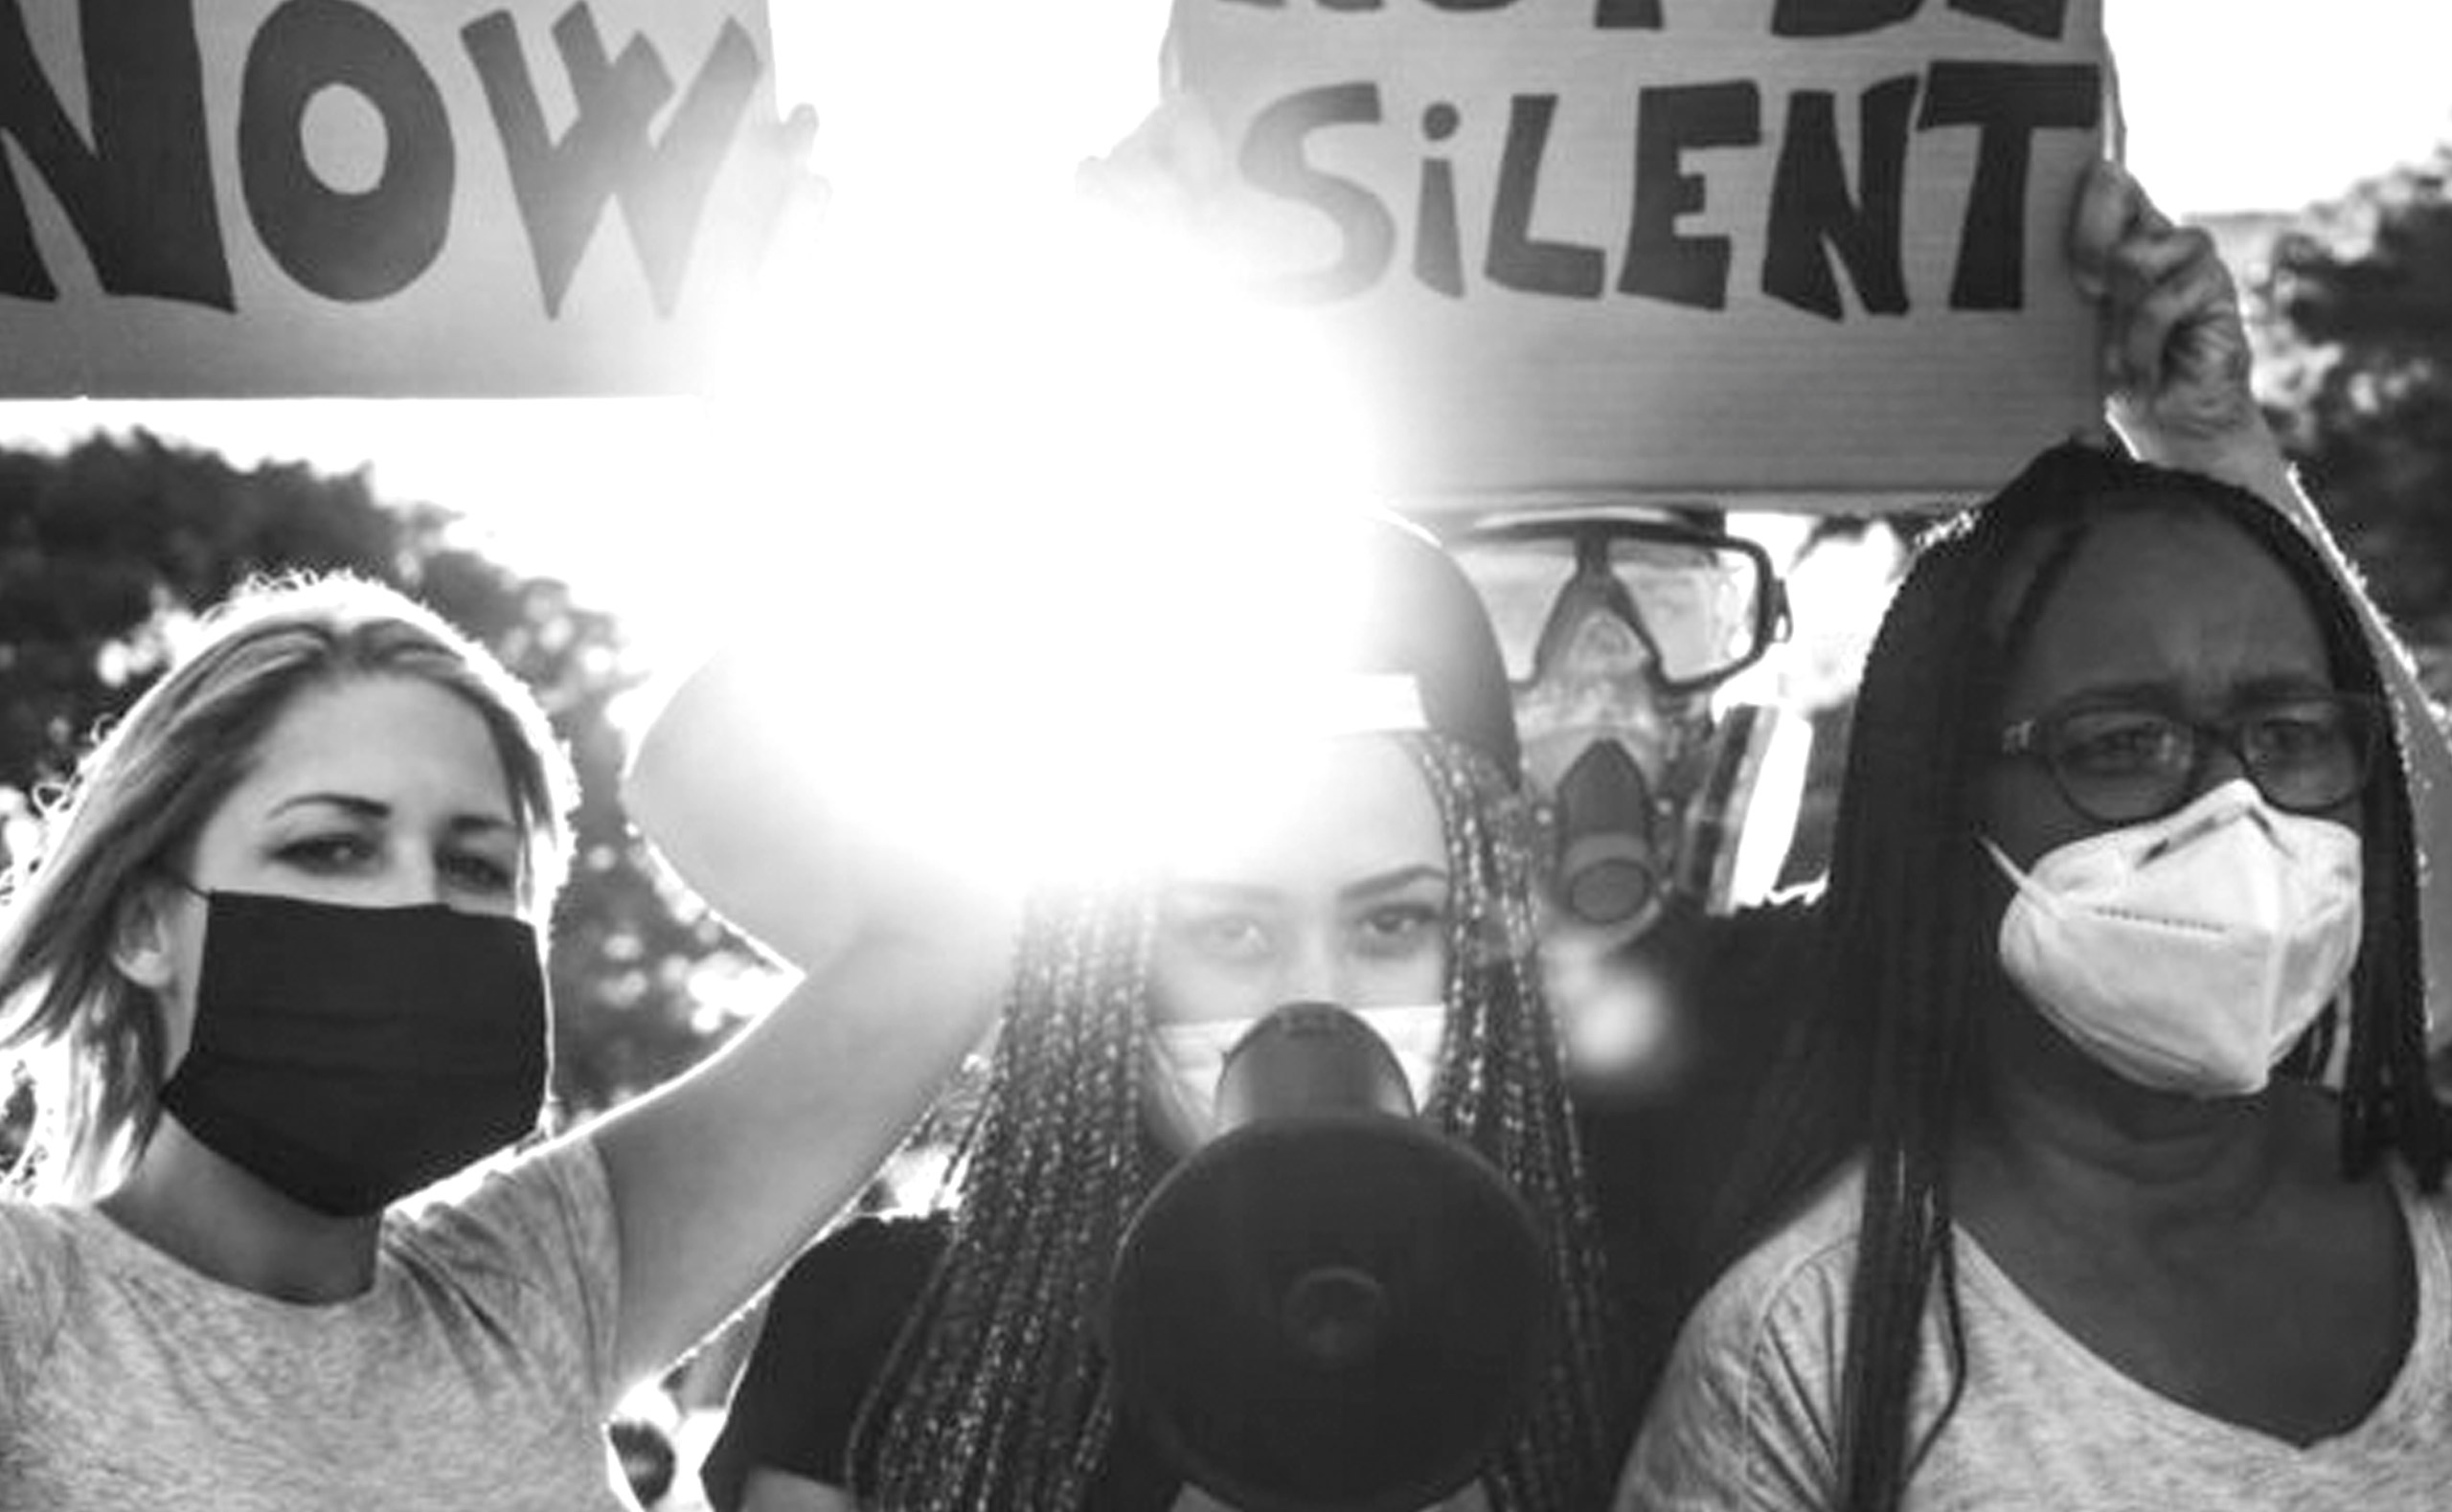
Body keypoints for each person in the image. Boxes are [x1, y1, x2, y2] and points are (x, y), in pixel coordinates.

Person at [1615, 224, 2452, 1502]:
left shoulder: (2427, 1194)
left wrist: (2222, 454)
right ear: (1946, 809)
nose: (2234, 808)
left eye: (2291, 735)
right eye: (2122, 743)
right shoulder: (1808, 1355)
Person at [0, 575, 1012, 1508]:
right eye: (332, 848)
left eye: (478, 867)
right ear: (141, 925)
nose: (415, 902)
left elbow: (940, 945)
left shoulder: (532, 1283)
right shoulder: (34, 1300)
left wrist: (956, 536)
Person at [689, 512, 1625, 1512]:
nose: (1317, 998)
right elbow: (697, 766)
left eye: (1392, 922)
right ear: (1105, 966)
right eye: (1231, 932)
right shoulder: (882, 1321)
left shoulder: (1583, 1322)